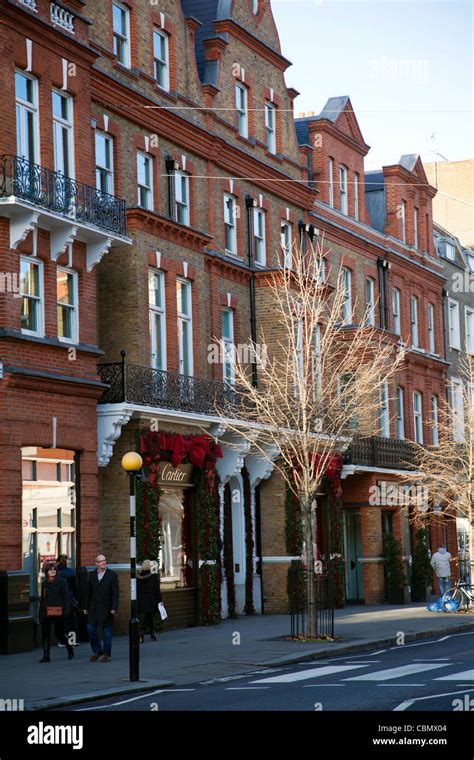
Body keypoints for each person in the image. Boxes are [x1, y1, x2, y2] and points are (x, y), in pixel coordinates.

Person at [83, 554, 119, 662]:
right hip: (93, 607)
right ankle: (98, 651)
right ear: (96, 563)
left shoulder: (112, 575)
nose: (103, 562)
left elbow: (115, 593)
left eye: (104, 560)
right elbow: (87, 592)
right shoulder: (92, 575)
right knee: (90, 628)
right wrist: (85, 607)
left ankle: (107, 654)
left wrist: (114, 607)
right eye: (101, 561)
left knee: (107, 631)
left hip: (107, 607)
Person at [38, 561, 74, 663]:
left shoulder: (62, 581)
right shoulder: (44, 583)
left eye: (54, 569)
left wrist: (67, 610)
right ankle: (46, 656)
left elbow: (66, 597)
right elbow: (42, 599)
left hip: (59, 611)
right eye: (50, 569)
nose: (52, 571)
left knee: (59, 633)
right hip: (46, 612)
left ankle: (69, 648)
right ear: (46, 572)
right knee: (45, 633)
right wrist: (40, 614)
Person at [137, 559, 163, 642]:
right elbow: (156, 589)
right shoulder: (154, 576)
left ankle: (152, 633)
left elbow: (137, 589)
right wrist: (160, 600)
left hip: (142, 600)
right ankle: (141, 631)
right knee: (148, 615)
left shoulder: (139, 576)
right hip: (151, 599)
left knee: (149, 615)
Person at [56, 554, 79, 647]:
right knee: (71, 621)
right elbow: (75, 587)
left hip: (61, 600)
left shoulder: (57, 573)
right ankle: (73, 641)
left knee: (63, 621)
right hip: (71, 599)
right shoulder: (71, 572)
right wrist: (76, 598)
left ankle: (64, 641)